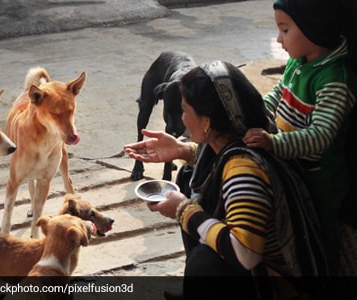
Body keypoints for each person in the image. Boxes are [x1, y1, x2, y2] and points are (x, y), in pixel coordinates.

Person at [124, 61, 327, 299]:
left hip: (278, 282)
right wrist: (182, 150)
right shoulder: (236, 142)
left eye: (186, 111)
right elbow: (211, 161)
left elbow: (245, 253)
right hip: (255, 268)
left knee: (203, 262)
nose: (183, 119)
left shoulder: (244, 170)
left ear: (207, 121)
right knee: (189, 175)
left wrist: (183, 210)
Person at [242, 0, 357, 275]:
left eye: (284, 30)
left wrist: (274, 143)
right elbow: (277, 95)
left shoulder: (335, 80)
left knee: (320, 236)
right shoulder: (297, 62)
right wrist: (255, 112)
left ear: (312, 28)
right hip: (293, 168)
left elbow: (320, 136)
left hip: (320, 184)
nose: (278, 39)